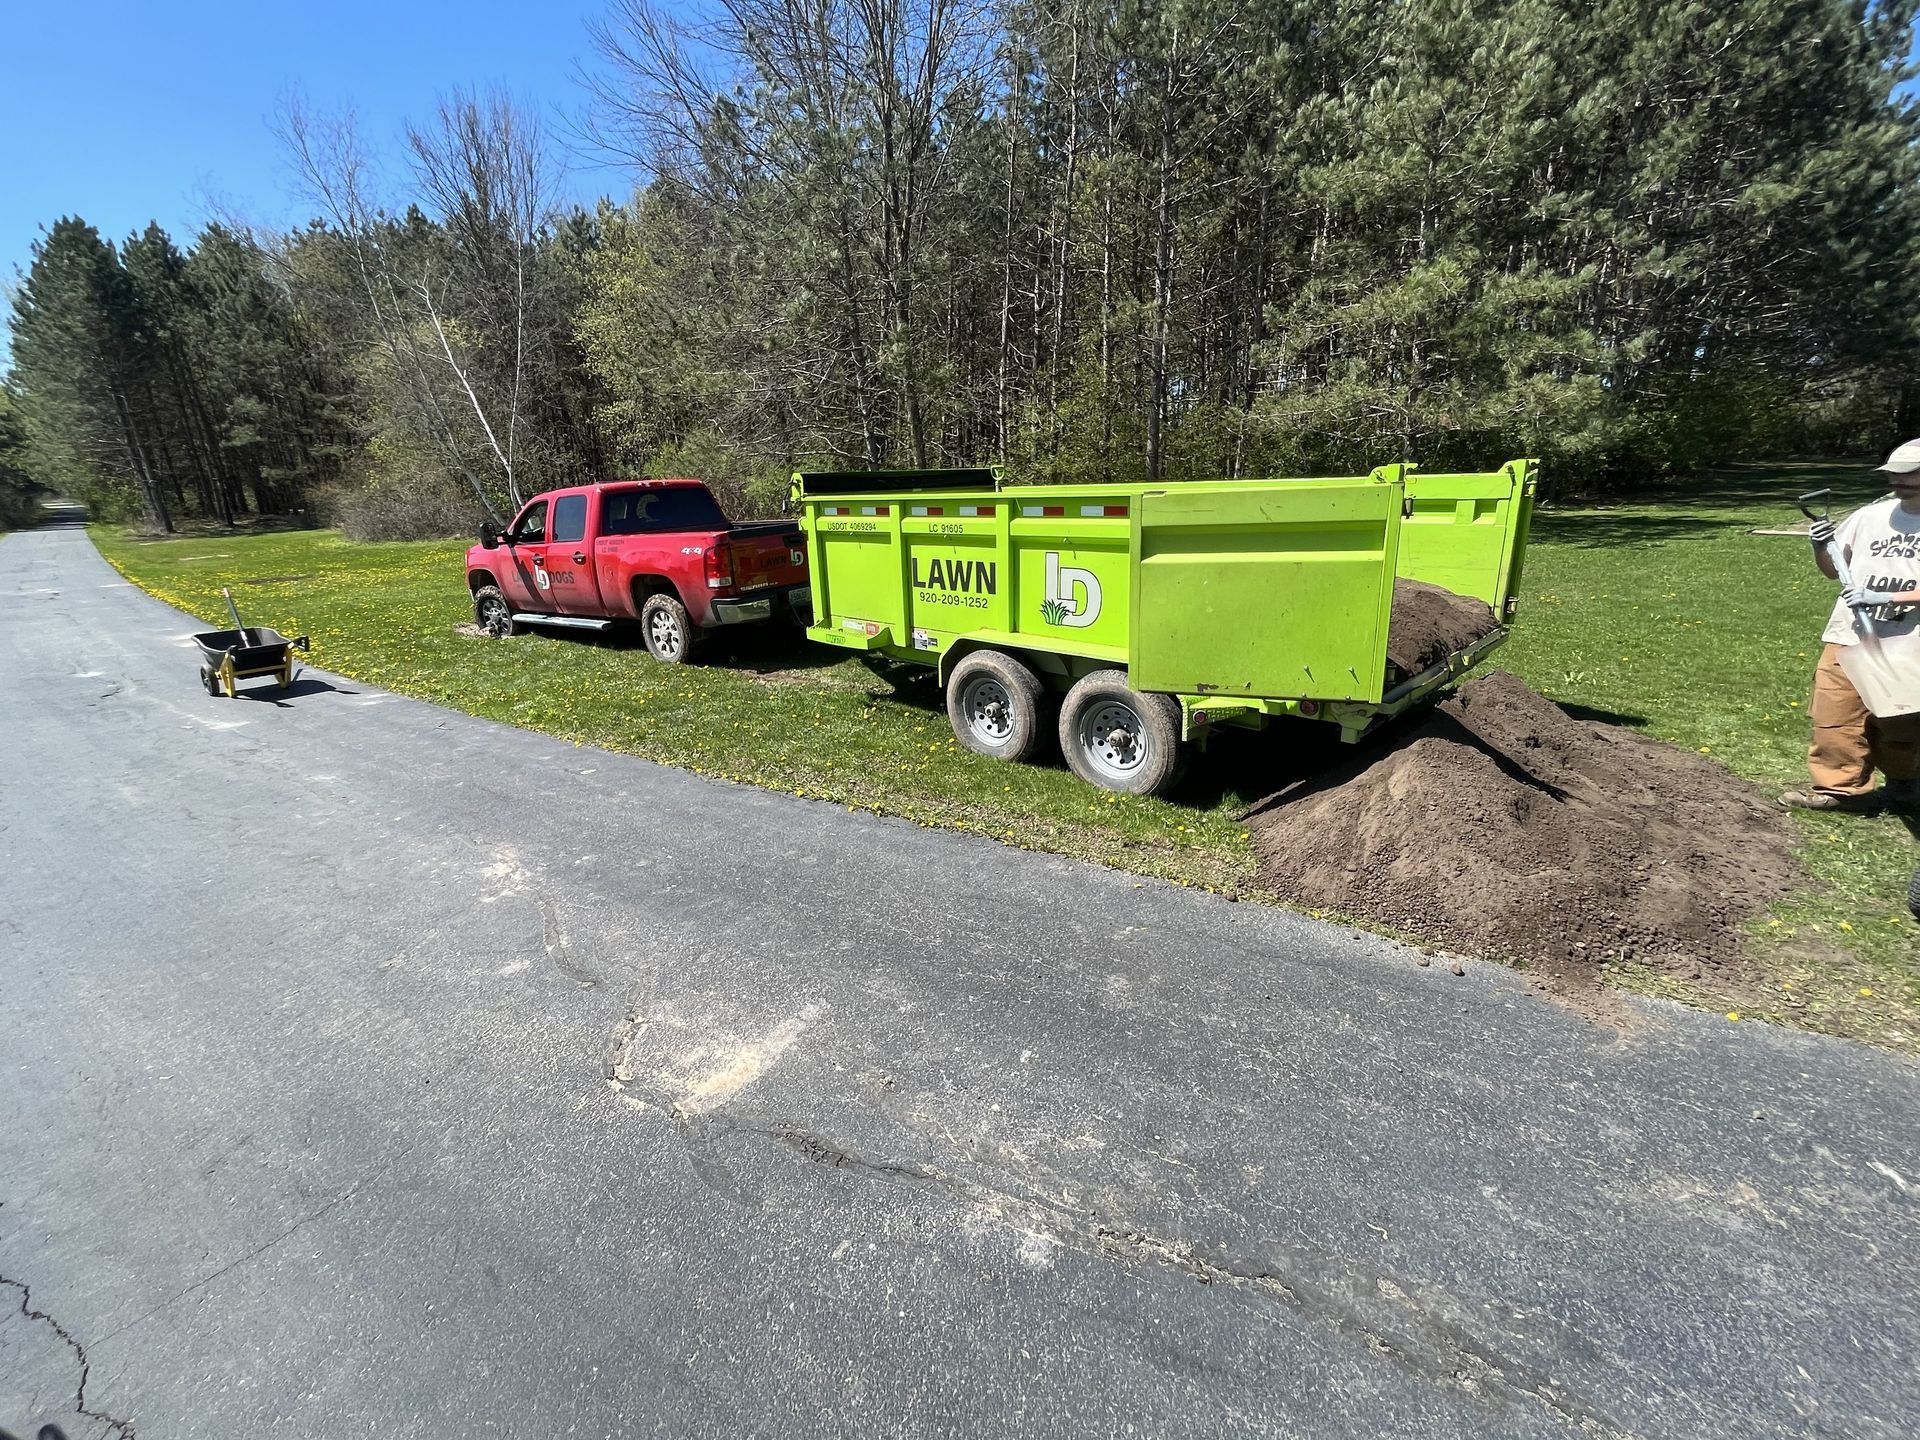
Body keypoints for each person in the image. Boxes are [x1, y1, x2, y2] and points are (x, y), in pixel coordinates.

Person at [1780, 440, 1920, 813]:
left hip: (1910, 640)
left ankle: (1904, 780)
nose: (1900, 480)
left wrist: (1891, 599)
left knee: (1899, 725)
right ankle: (1836, 788)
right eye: (1895, 473)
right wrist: (1819, 548)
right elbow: (1832, 570)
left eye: (1911, 473)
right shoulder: (1870, 516)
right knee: (1834, 713)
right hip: (1849, 633)